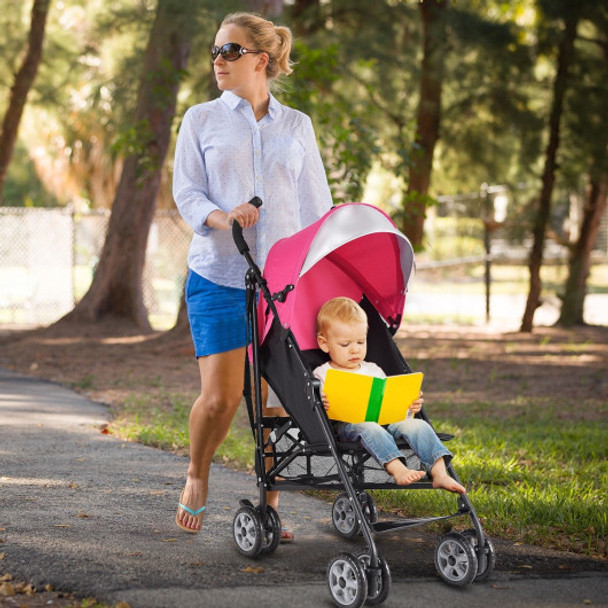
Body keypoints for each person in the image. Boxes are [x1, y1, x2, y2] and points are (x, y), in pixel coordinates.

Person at [172, 12, 333, 535]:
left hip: (282, 286)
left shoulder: (297, 126)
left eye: (231, 51)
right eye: (215, 51)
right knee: (220, 399)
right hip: (219, 275)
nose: (219, 61)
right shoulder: (200, 119)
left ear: (261, 60)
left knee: (277, 401)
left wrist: (320, 275)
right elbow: (187, 191)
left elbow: (316, 207)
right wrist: (220, 216)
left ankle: (271, 504)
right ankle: (198, 474)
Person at [313, 297, 466, 493]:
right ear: (324, 344)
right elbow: (315, 416)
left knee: (418, 424)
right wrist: (322, 405)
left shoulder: (373, 369)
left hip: (386, 421)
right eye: (345, 344)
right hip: (350, 426)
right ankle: (398, 469)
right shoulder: (322, 374)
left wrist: (408, 407)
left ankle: (439, 473)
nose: (355, 349)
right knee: (370, 427)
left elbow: (389, 403)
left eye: (361, 341)